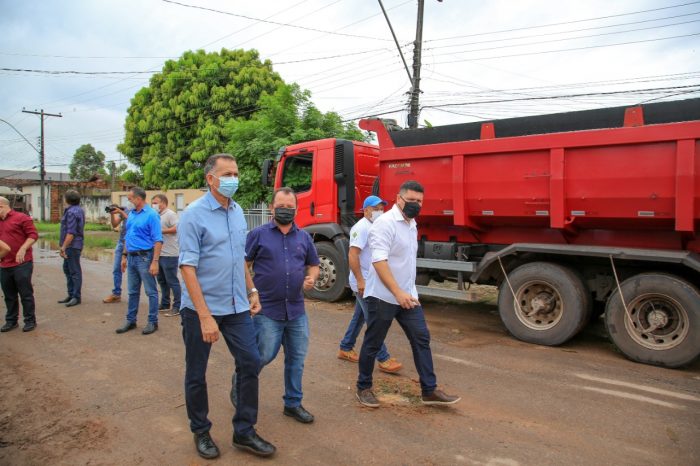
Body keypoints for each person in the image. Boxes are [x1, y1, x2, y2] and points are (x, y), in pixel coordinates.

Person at [179, 153, 275, 459]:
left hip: (236, 307)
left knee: (250, 362)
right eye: (228, 173)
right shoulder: (193, 215)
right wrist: (205, 316)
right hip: (201, 309)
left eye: (236, 173)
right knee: (197, 372)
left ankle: (244, 431)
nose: (234, 178)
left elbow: (238, 259)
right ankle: (201, 430)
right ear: (211, 179)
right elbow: (187, 267)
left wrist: (252, 290)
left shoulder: (236, 212)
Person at [356, 181, 461, 408]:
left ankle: (429, 390)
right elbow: (379, 261)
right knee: (374, 342)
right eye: (411, 200)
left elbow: (406, 262)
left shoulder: (412, 223)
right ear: (398, 199)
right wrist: (397, 292)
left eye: (420, 201)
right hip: (383, 296)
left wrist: (408, 292)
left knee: (421, 338)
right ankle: (363, 387)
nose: (416, 205)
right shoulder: (384, 224)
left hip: (407, 296)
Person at [241, 187, 320, 424]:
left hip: (296, 311)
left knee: (296, 360)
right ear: (272, 207)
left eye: (290, 207)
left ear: (296, 208)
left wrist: (312, 278)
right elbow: (243, 263)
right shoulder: (258, 234)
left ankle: (293, 404)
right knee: (262, 356)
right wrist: (251, 291)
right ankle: (240, 386)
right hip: (267, 310)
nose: (286, 211)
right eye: (281, 207)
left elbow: (313, 264)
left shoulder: (304, 237)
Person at [338, 195, 402, 374]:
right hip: (363, 281)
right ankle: (383, 358)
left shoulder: (378, 226)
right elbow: (353, 255)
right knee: (373, 318)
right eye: (375, 208)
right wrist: (360, 280)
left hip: (371, 280)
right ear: (365, 210)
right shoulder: (361, 228)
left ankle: (346, 347)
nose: (379, 211)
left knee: (360, 316)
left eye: (381, 208)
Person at [115, 187, 162, 335]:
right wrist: (124, 256)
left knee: (151, 292)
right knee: (133, 291)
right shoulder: (132, 215)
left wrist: (155, 261)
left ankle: (152, 321)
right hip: (132, 257)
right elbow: (128, 236)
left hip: (145, 257)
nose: (128, 201)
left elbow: (158, 240)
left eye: (130, 198)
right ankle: (131, 320)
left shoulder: (152, 215)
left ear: (138, 199)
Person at [0, 196, 38, 333]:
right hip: (4, 264)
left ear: (2, 206)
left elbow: (33, 235)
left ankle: (30, 320)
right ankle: (11, 321)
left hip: (22, 263)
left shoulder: (21, 218)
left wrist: (23, 248)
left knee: (25, 293)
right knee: (9, 295)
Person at [151, 194, 181, 317]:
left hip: (170, 254)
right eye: (152, 202)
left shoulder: (170, 214)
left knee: (172, 281)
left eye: (156, 202)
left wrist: (161, 231)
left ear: (163, 203)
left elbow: (178, 227)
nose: (154, 205)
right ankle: (165, 303)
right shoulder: (156, 215)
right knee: (162, 280)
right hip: (160, 253)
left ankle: (178, 305)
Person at [57, 190, 85, 307]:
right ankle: (71, 294)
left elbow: (71, 232)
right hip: (73, 245)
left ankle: (76, 296)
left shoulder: (72, 212)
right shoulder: (78, 210)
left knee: (74, 271)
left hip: (72, 245)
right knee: (68, 269)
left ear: (67, 200)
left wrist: (63, 247)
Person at [103, 203, 131, 303]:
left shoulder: (133, 212)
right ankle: (116, 293)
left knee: (136, 271)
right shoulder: (124, 212)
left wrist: (120, 212)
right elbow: (115, 224)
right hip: (122, 242)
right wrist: (112, 214)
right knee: (116, 269)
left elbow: (132, 222)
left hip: (132, 242)